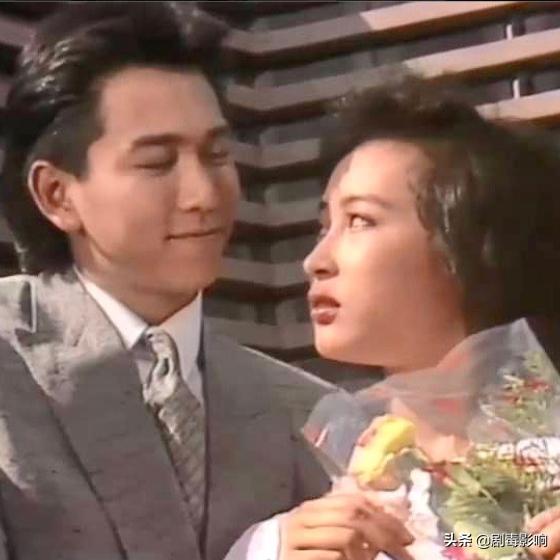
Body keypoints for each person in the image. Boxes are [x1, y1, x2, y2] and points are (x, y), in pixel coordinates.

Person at [0, 3, 336, 559]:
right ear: (57, 194)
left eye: (217, 154)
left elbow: (452, 542)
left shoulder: (305, 410)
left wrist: (494, 535)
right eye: (157, 162)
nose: (203, 194)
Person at [226, 70, 560, 559]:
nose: (316, 260)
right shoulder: (294, 510)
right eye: (324, 225)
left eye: (360, 220)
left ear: (470, 247)